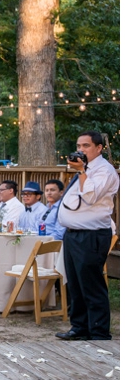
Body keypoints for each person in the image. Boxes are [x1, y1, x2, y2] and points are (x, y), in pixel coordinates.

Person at [55, 131, 119, 341]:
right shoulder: (86, 169)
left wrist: (82, 171)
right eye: (78, 145)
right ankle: (79, 327)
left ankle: (99, 331)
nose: (80, 150)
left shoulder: (104, 170)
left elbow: (90, 197)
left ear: (98, 148)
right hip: (73, 234)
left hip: (91, 235)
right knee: (74, 282)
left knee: (91, 284)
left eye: (86, 146)